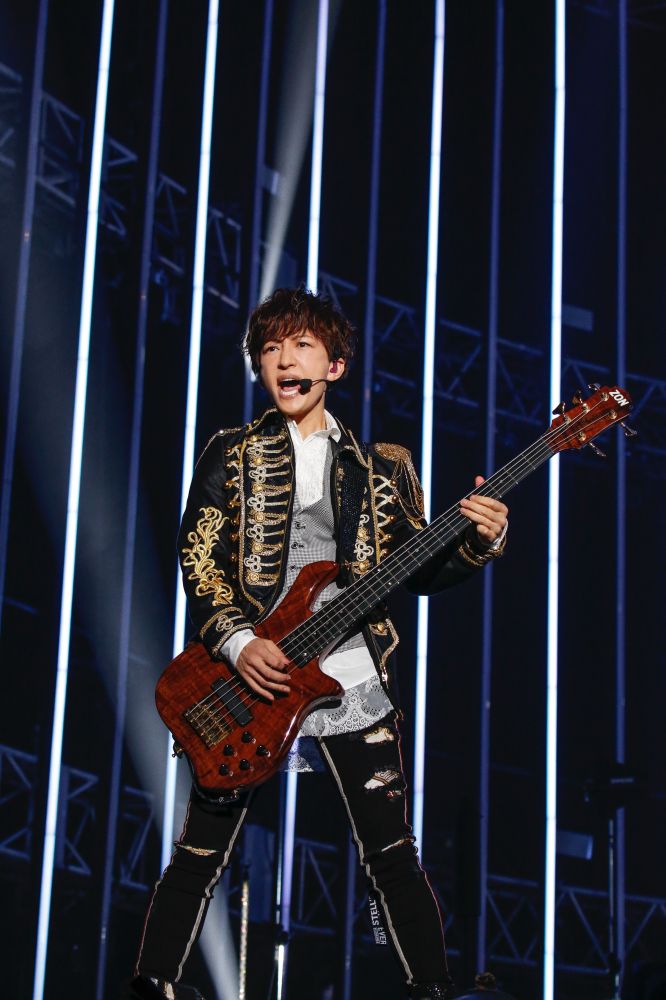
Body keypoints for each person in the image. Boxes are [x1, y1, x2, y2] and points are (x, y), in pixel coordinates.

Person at [127, 287, 508, 1000]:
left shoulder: (383, 468)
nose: (283, 360)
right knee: (201, 847)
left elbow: (421, 569)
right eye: (270, 348)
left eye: (301, 345)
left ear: (335, 365)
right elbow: (199, 558)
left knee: (391, 849)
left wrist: (477, 543)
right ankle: (152, 985)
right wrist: (238, 642)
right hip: (251, 674)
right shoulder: (230, 453)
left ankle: (432, 988)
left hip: (349, 672)